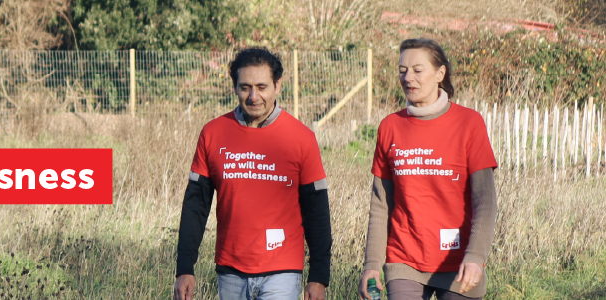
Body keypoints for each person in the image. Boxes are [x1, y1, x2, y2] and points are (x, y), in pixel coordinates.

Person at [175, 48, 332, 300]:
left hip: (283, 271)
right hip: (231, 271)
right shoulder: (212, 134)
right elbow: (196, 206)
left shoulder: (302, 138)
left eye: (261, 87)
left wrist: (319, 276)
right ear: (234, 87)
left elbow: (317, 211)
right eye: (245, 87)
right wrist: (185, 268)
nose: (253, 96)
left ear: (277, 85)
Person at [360, 38, 498, 300]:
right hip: (404, 260)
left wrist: (475, 256)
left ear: (440, 73)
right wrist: (372, 265)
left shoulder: (469, 123)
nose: (408, 78)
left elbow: (486, 201)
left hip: (458, 262)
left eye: (417, 70)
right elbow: (380, 204)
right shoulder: (390, 126)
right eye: (402, 71)